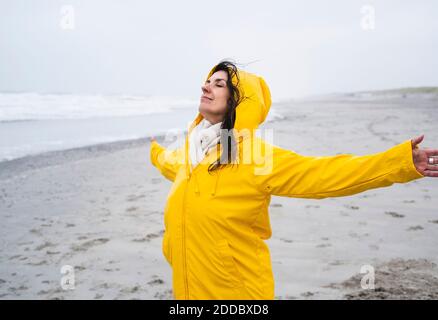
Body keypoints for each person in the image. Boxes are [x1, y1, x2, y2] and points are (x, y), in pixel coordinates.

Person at [150, 60, 437, 300]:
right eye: (207, 81)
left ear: (238, 101)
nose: (205, 86)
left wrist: (400, 162)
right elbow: (169, 163)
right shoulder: (191, 152)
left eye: (219, 84)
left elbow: (323, 175)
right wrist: (155, 151)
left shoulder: (253, 156)